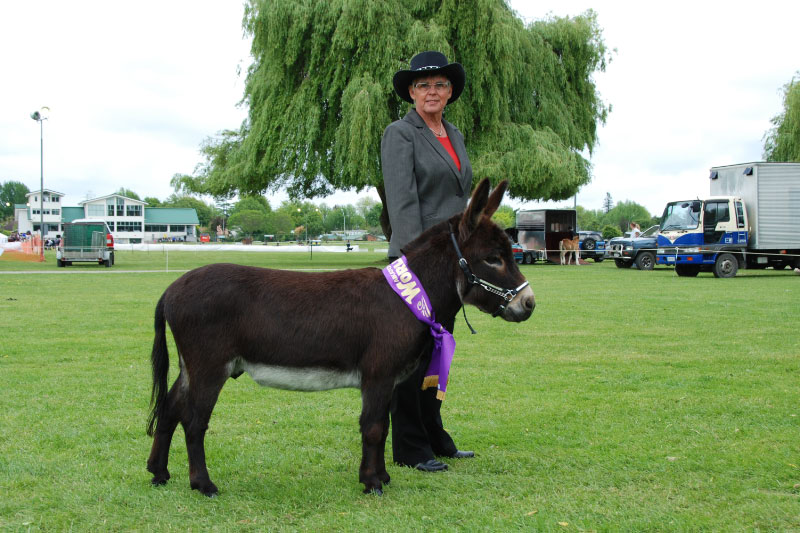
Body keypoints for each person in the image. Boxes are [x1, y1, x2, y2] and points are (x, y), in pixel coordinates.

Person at [381, 51, 474, 473]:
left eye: (438, 84)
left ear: (450, 92)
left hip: (449, 266)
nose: (431, 92)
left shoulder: (453, 134)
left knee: (439, 355)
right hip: (419, 265)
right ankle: (410, 447)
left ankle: (434, 434)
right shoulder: (400, 134)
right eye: (422, 86)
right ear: (412, 94)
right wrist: (412, 262)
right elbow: (403, 202)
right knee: (411, 359)